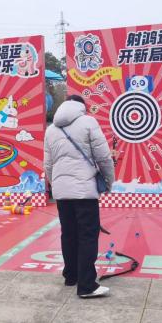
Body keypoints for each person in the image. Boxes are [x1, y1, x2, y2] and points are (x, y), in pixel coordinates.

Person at [44, 95, 115, 298]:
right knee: (87, 235)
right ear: (82, 107)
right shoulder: (88, 122)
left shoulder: (51, 129)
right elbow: (104, 157)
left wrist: (56, 184)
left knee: (68, 233)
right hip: (84, 190)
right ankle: (86, 285)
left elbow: (48, 164)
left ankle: (71, 276)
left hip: (61, 191)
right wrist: (108, 182)